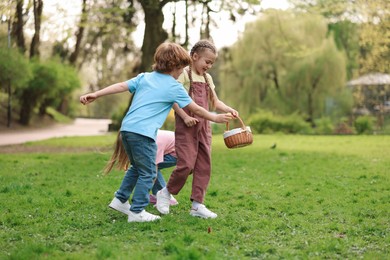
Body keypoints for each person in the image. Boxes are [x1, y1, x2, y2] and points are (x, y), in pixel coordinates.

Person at [80, 42, 233, 223]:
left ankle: (120, 199)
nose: (180, 73)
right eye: (180, 68)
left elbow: (121, 86)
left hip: (127, 130)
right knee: (149, 173)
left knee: (138, 167)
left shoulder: (144, 77)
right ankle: (137, 212)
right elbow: (196, 109)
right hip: (144, 134)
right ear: (174, 67)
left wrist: (96, 94)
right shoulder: (173, 86)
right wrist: (215, 118)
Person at [156, 39, 239, 219]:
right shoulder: (184, 74)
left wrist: (228, 109)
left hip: (204, 127)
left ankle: (197, 205)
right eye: (207, 62)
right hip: (186, 126)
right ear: (194, 56)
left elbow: (215, 102)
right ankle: (166, 192)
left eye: (212, 63)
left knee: (204, 165)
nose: (209, 66)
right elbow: (174, 99)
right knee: (186, 164)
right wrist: (185, 117)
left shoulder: (208, 78)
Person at [104, 129, 178, 214]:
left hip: (176, 153)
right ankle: (158, 194)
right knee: (146, 167)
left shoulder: (154, 142)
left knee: (148, 168)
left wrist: (144, 183)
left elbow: (152, 168)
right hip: (171, 148)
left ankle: (166, 197)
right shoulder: (142, 136)